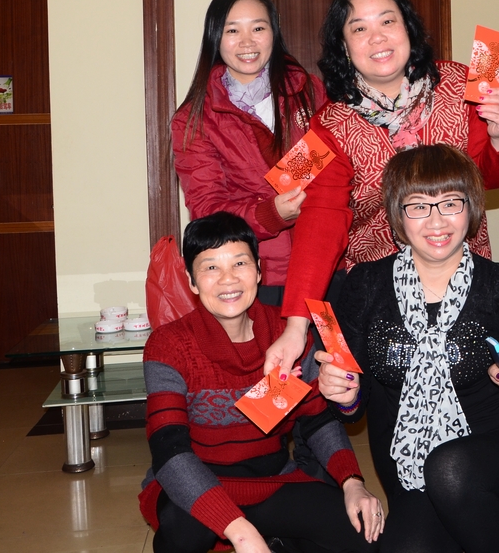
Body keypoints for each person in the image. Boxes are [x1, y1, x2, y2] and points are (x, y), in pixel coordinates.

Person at [265, 0, 499, 377]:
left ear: (408, 28)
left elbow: (490, 176)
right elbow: (321, 223)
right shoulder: (330, 125)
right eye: (359, 29)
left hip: (464, 276)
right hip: (382, 293)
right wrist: (296, 327)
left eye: (387, 21)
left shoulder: (461, 84)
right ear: (344, 46)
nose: (377, 38)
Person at [315, 145, 499, 553]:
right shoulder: (366, 285)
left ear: (471, 208)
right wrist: (345, 396)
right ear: (398, 215)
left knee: (450, 467)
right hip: (410, 463)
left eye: (451, 203)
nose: (437, 221)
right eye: (419, 206)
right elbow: (354, 399)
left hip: (495, 451)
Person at [139, 212, 382, 553]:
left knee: (361, 534)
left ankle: (277, 539)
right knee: (184, 531)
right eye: (211, 267)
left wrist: (352, 481)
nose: (228, 279)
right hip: (194, 483)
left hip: (271, 481)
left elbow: (318, 420)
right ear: (192, 282)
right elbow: (169, 449)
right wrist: (241, 533)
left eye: (240, 263)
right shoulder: (169, 344)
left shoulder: (288, 335)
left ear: (258, 271)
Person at [172, 0, 327, 308]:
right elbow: (207, 209)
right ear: (215, 37)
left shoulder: (309, 91)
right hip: (258, 276)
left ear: (274, 32)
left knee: (331, 344)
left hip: (324, 265)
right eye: (232, 30)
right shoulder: (196, 118)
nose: (247, 42)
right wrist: (271, 214)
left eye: (258, 28)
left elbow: (336, 167)